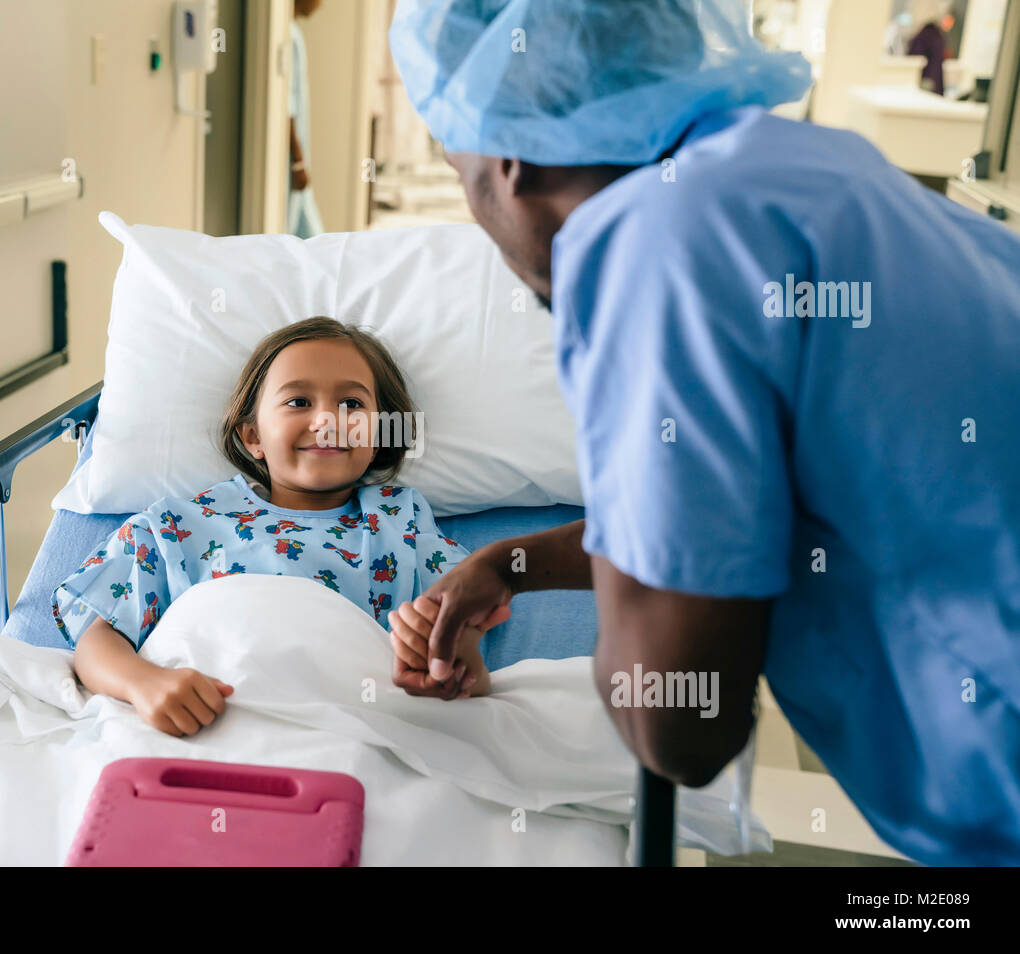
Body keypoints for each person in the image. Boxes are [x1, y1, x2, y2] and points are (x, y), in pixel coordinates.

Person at [387, 0, 1020, 865]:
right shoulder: (810, 169)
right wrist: (514, 562)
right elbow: (764, 503)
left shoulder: (656, 246)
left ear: (508, 155)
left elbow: (677, 721)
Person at [52, 318, 502, 738]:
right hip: (203, 727)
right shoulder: (178, 527)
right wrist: (144, 685)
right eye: (298, 402)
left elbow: (456, 626)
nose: (327, 420)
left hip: (347, 730)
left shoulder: (399, 523)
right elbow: (97, 638)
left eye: (351, 403)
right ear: (253, 437)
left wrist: (458, 656)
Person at [287, 0, 325, 237]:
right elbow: (286, 106)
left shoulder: (293, 34)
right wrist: (298, 162)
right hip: (291, 160)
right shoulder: (287, 37)